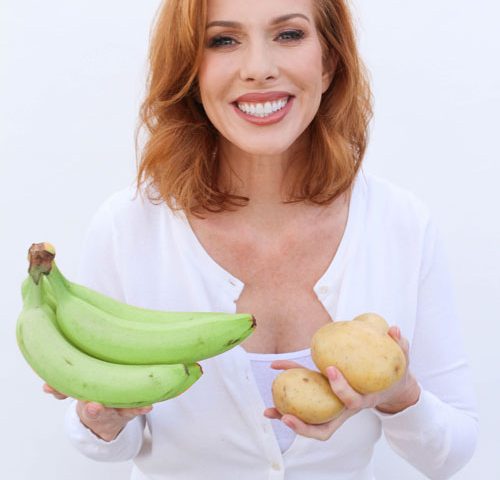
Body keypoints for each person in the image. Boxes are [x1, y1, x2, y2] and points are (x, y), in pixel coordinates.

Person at [44, 0, 478, 478]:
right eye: (223, 40)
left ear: (330, 60)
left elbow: (451, 453)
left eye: (289, 35)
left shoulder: (401, 224)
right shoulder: (129, 226)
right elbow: (112, 443)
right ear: (191, 70)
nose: (259, 69)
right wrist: (101, 420)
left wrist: (399, 395)